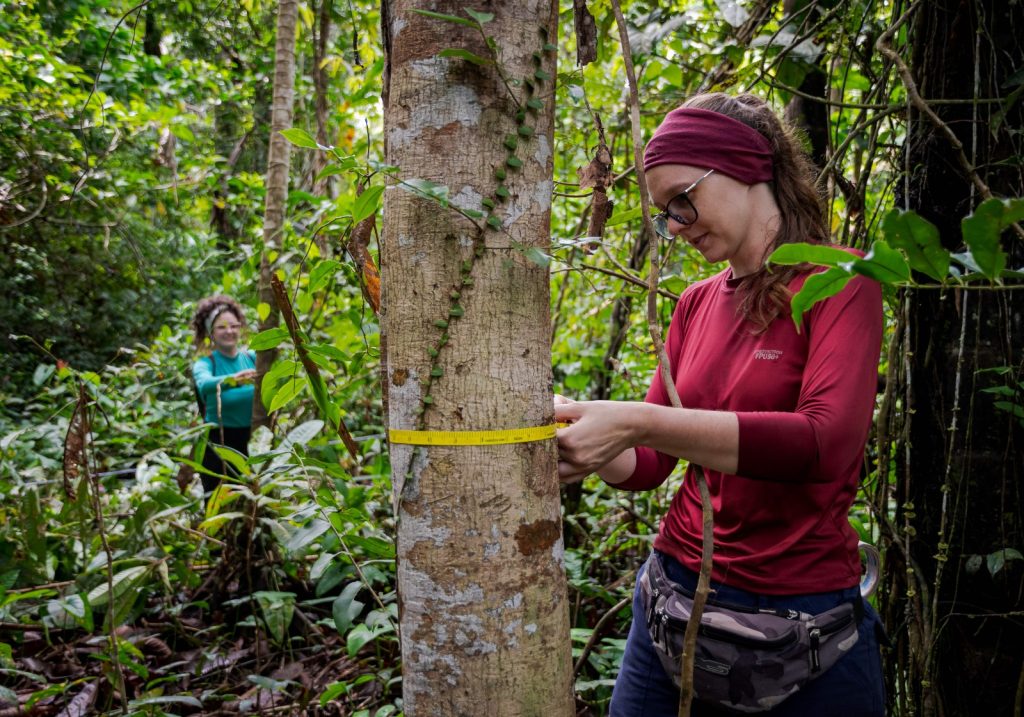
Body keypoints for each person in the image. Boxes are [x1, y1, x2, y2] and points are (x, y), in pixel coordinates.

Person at [554, 93, 886, 716]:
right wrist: (584, 432)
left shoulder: (843, 280)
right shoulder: (696, 304)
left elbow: (824, 443)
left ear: (746, 165)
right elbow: (648, 464)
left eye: (684, 199)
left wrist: (633, 420)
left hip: (803, 621)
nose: (675, 224)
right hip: (674, 601)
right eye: (663, 213)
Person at [191, 295, 256, 495]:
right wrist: (233, 380)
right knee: (217, 505)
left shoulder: (252, 358)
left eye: (234, 326)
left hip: (253, 441)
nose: (229, 331)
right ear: (211, 332)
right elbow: (205, 385)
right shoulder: (205, 364)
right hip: (217, 445)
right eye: (222, 327)